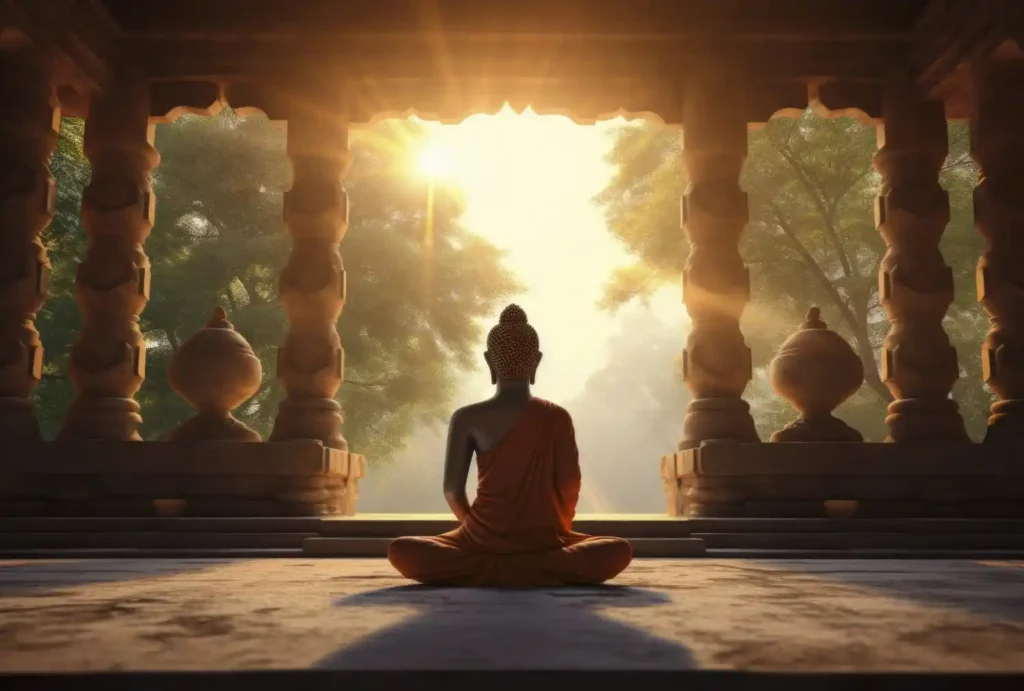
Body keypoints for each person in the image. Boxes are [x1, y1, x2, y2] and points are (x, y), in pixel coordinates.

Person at [388, 304, 633, 587]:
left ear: (490, 361)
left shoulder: (468, 418)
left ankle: (487, 569)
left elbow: (452, 491)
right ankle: (537, 568)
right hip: (543, 544)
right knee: (615, 550)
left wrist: (478, 534)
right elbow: (569, 485)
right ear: (536, 361)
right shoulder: (556, 417)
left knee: (403, 550)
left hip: (482, 542)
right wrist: (552, 532)